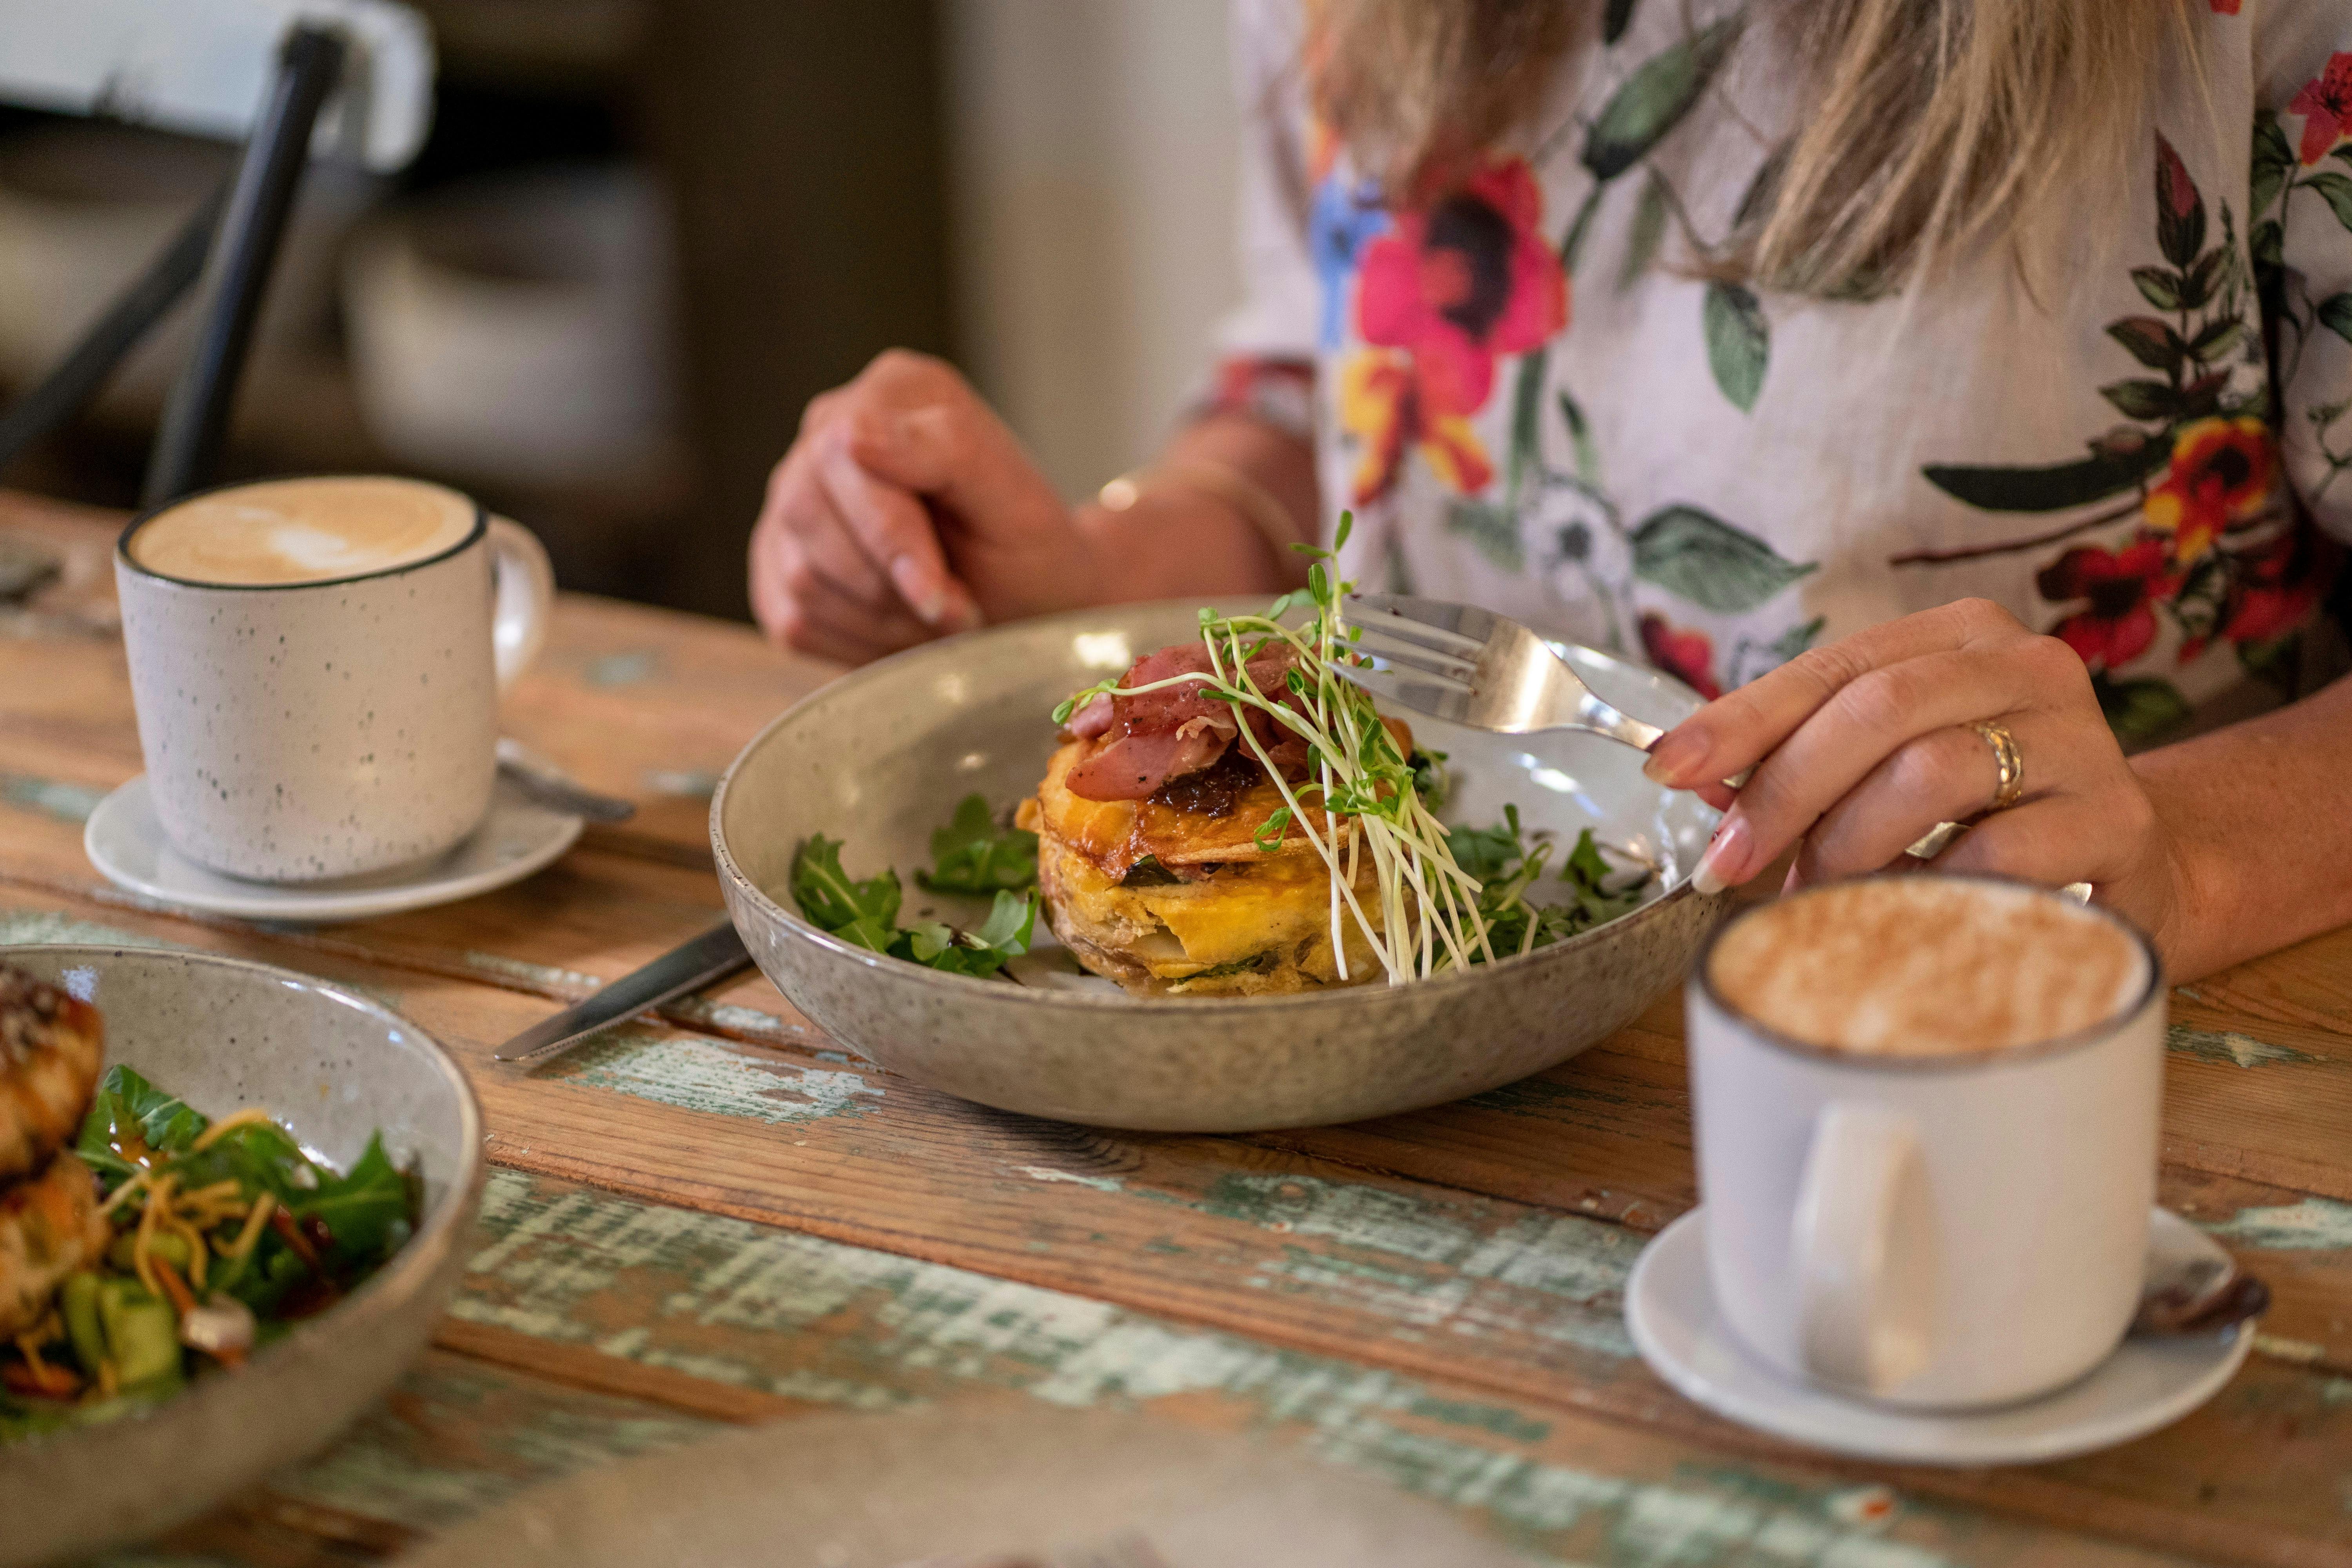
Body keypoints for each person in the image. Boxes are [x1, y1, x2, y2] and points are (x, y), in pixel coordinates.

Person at [748, 0, 2352, 982]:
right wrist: (1090, 570)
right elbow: (1324, 388)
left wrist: (2186, 856)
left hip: (2071, 1054)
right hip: (1438, 1059)